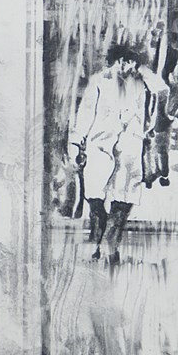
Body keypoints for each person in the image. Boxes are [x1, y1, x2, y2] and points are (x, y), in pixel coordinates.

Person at [70, 41, 159, 265]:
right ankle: (96, 244)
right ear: (119, 61)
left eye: (136, 64)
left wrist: (144, 132)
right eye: (130, 63)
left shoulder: (139, 84)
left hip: (129, 147)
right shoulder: (99, 81)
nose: (133, 68)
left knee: (123, 200)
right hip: (100, 144)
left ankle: (111, 247)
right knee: (96, 198)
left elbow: (150, 109)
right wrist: (77, 141)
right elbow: (86, 112)